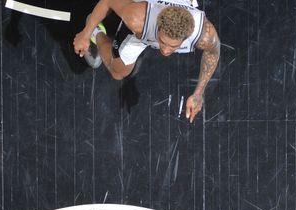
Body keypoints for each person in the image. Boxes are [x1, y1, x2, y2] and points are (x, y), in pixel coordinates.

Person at [73, 0, 220, 123]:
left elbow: (213, 51)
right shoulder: (137, 19)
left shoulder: (205, 35)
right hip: (144, 26)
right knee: (118, 72)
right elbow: (108, 1)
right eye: (162, 42)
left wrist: (199, 93)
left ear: (186, 38)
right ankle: (96, 32)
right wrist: (85, 33)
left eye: (174, 46)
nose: (166, 51)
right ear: (159, 26)